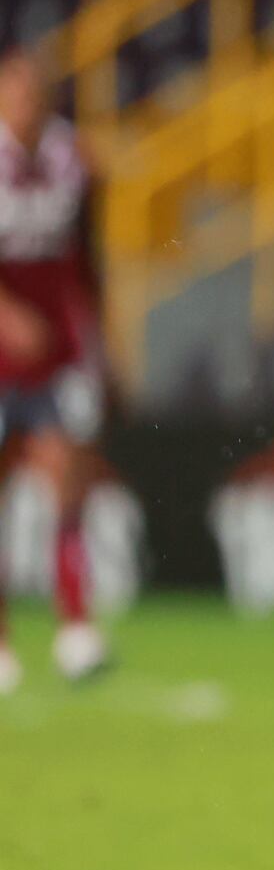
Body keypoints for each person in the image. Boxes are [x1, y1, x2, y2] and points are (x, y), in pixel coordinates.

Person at [0, 49, 111, 692]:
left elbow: (89, 259)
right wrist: (6, 314)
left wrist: (105, 343)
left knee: (68, 479)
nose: (28, 104)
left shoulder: (74, 160)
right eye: (17, 93)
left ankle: (75, 628)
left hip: (55, 358)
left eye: (36, 93)